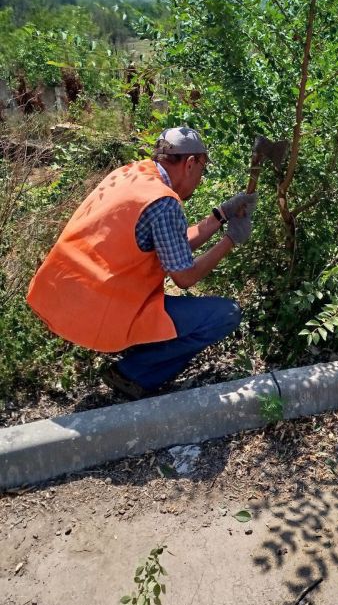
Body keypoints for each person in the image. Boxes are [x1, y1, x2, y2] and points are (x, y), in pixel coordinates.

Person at [27, 127, 256, 400]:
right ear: (190, 163)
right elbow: (184, 277)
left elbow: (172, 246)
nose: (200, 179)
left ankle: (135, 354)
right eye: (202, 170)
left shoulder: (129, 176)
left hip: (62, 300)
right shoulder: (163, 202)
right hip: (100, 313)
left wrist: (221, 215)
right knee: (225, 314)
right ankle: (132, 372)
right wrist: (231, 239)